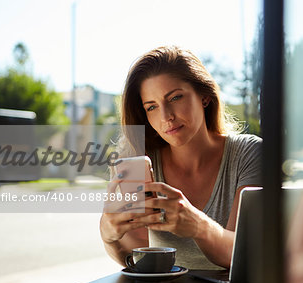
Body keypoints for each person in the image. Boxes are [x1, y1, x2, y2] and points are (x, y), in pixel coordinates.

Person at [100, 45, 262, 270]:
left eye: (175, 98)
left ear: (204, 96)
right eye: (152, 107)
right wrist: (109, 236)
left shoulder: (248, 153)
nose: (166, 116)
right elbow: (135, 258)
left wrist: (196, 225)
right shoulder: (141, 162)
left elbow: (242, 255)